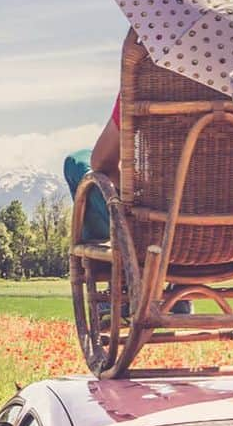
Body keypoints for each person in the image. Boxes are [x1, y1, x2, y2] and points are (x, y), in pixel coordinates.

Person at [64, 95, 191, 314]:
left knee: (77, 162)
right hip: (232, 233)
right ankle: (181, 289)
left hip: (155, 225)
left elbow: (102, 162)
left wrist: (137, 182)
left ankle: (120, 278)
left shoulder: (147, 78)